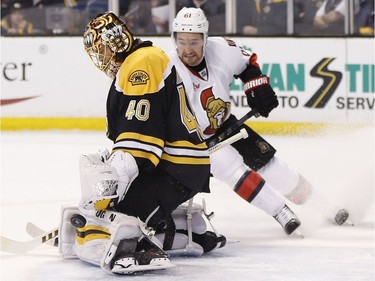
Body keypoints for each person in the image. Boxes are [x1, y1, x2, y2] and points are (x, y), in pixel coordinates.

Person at [58, 11, 225, 275]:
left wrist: (106, 198)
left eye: (102, 49)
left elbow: (140, 143)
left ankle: (141, 248)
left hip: (177, 167)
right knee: (112, 210)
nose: (101, 58)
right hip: (171, 163)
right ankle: (187, 231)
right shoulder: (137, 62)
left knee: (119, 213)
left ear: (117, 42)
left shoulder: (141, 63)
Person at [168, 7, 350, 235]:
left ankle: (323, 205)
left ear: (205, 38)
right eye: (182, 41)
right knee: (232, 170)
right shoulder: (168, 68)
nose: (187, 49)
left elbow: (248, 64)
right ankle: (280, 211)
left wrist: (256, 85)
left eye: (194, 41)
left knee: (272, 167)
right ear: (174, 39)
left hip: (226, 125)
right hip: (198, 142)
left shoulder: (222, 49)